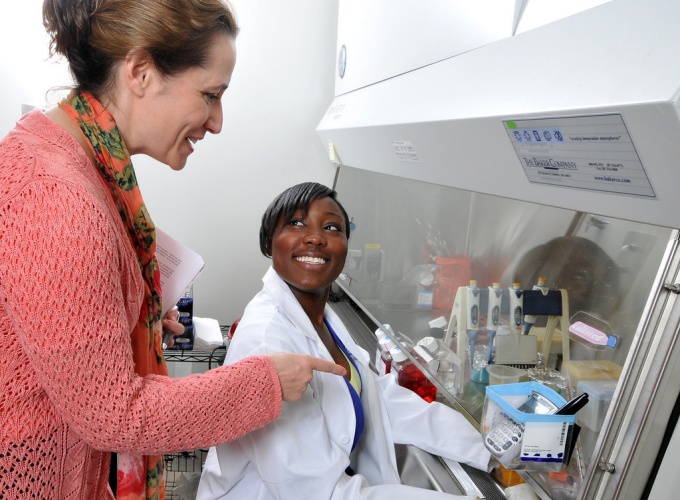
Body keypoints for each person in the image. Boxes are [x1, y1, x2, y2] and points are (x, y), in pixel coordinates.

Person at [0, 1, 345, 498]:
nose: (217, 121)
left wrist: (117, 319)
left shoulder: (62, 154)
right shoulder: (59, 199)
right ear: (140, 72)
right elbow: (114, 416)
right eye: (210, 95)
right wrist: (265, 383)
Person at [197, 182, 491, 499]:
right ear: (269, 241)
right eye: (296, 223)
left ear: (346, 246)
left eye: (332, 227)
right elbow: (316, 491)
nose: (315, 237)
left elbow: (377, 399)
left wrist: (490, 451)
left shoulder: (323, 319)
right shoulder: (268, 338)